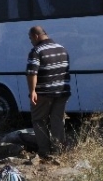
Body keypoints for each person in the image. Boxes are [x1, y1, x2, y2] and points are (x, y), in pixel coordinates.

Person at [26, 26, 70, 159]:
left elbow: (32, 72)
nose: (31, 41)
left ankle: (44, 152)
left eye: (30, 38)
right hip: (62, 91)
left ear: (36, 36)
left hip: (43, 92)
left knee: (39, 120)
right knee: (57, 120)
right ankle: (58, 151)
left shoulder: (36, 51)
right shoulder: (62, 48)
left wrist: (32, 91)